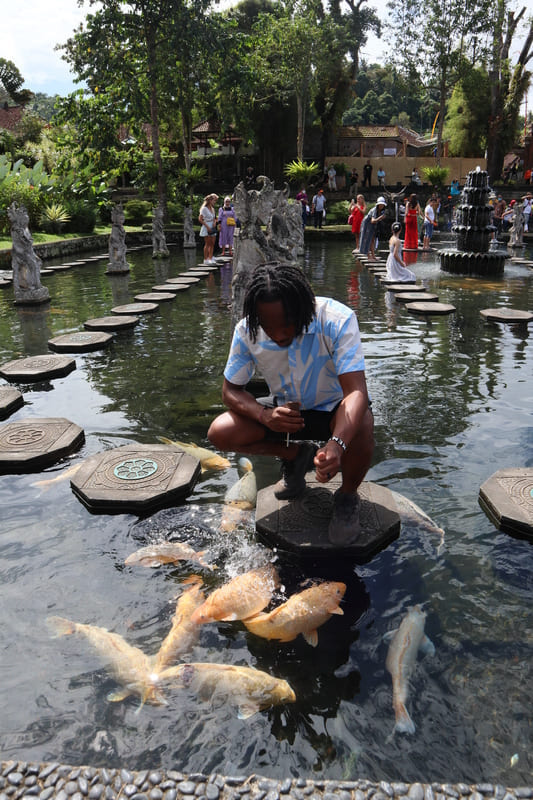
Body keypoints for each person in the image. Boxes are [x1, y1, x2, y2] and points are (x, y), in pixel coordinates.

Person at [207, 262, 374, 544]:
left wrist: (337, 444)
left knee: (363, 422)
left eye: (287, 324)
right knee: (220, 432)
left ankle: (347, 496)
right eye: (268, 327)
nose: (279, 334)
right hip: (284, 414)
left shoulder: (336, 320)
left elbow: (356, 391)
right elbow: (230, 391)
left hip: (334, 411)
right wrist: (264, 415)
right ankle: (295, 457)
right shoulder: (246, 330)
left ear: (304, 308)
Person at [359, 196, 387, 261]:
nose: (381, 206)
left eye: (382, 205)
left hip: (373, 225)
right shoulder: (374, 210)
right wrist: (380, 218)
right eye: (380, 205)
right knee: (368, 239)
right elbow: (372, 220)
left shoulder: (381, 211)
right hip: (368, 224)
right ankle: (369, 256)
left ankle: (373, 256)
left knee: (373, 240)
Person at [198, 193, 219, 264]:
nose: (215, 202)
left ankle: (210, 257)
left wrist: (214, 223)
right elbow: (200, 219)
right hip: (206, 226)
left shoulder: (212, 209)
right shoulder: (204, 209)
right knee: (208, 243)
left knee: (212, 243)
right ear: (210, 200)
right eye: (214, 200)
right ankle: (206, 259)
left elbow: (214, 218)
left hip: (212, 226)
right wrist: (207, 227)